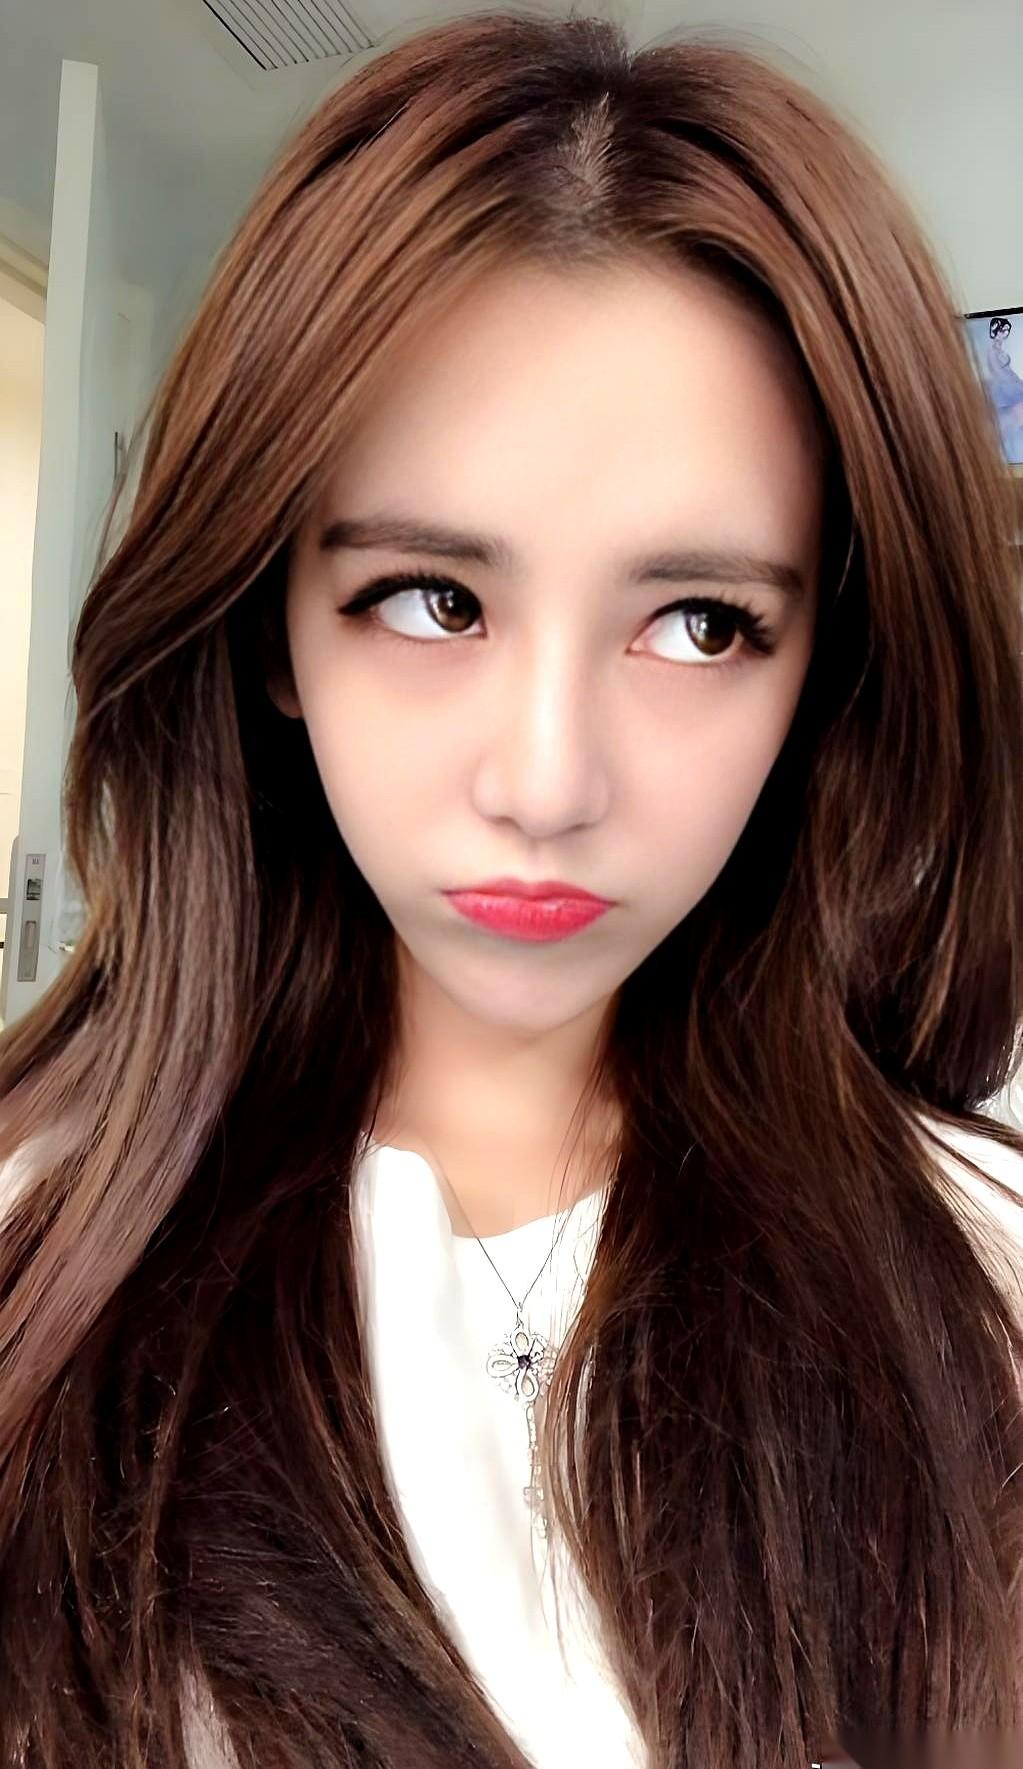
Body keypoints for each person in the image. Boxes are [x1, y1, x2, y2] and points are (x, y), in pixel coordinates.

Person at [1, 12, 1022, 1768]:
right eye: (431, 598)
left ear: (823, 674)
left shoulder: (977, 1277)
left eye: (699, 624)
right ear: (272, 633)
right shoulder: (36, 1244)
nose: (547, 784)